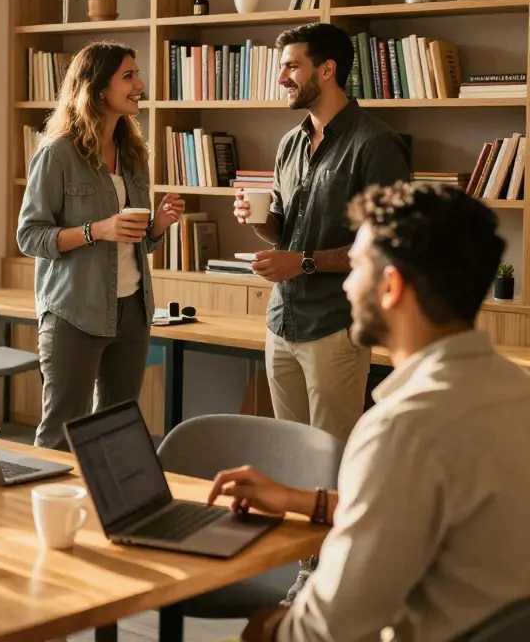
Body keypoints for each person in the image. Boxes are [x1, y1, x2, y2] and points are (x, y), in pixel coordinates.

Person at [211, 182, 530, 642]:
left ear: (390, 287)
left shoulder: (402, 428)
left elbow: (327, 628)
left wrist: (266, 630)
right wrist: (307, 502)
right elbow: (426, 513)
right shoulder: (513, 391)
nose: (345, 284)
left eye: (356, 268)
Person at [234, 23, 411, 442]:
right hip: (281, 322)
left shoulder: (376, 143)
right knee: (289, 452)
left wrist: (304, 262)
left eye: (292, 67)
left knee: (333, 458)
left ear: (328, 69)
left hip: (335, 327)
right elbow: (284, 233)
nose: (281, 79)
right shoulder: (289, 144)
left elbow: (388, 247)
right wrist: (257, 219)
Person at [17, 41, 184, 449]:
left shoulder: (133, 155)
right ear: (96, 88)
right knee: (61, 434)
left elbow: (136, 243)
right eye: (128, 76)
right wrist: (96, 230)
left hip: (133, 311)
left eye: (136, 74)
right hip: (74, 312)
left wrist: (157, 225)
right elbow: (29, 236)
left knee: (117, 430)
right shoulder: (57, 154)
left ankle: (104, 511)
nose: (140, 84)